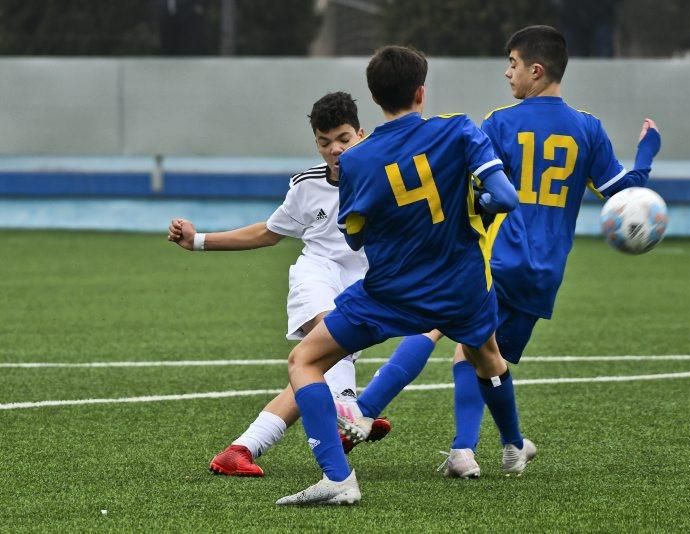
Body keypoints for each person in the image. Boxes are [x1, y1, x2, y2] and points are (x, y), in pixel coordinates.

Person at [341, 25, 662, 479]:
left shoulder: (500, 123)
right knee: (477, 353)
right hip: (545, 272)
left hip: (494, 255)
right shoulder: (588, 129)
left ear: (536, 70)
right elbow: (624, 195)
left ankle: (369, 409)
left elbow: (477, 185)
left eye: (512, 63)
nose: (507, 72)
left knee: (438, 327)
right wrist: (647, 153)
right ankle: (498, 448)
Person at [276, 45, 532, 506]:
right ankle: (513, 447)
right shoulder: (458, 130)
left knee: (304, 362)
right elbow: (506, 198)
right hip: (461, 287)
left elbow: (354, 238)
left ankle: (338, 479)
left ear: (374, 101)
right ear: (421, 91)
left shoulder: (356, 160)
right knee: (488, 355)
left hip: (390, 294)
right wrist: (477, 204)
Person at [166, 92, 433, 476]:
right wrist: (198, 241)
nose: (335, 149)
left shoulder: (388, 178)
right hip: (317, 275)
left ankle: (240, 450)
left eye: (343, 139)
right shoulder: (307, 185)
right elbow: (268, 232)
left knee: (312, 373)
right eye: (325, 143)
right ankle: (349, 411)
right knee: (330, 340)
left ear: (361, 134)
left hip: (366, 288)